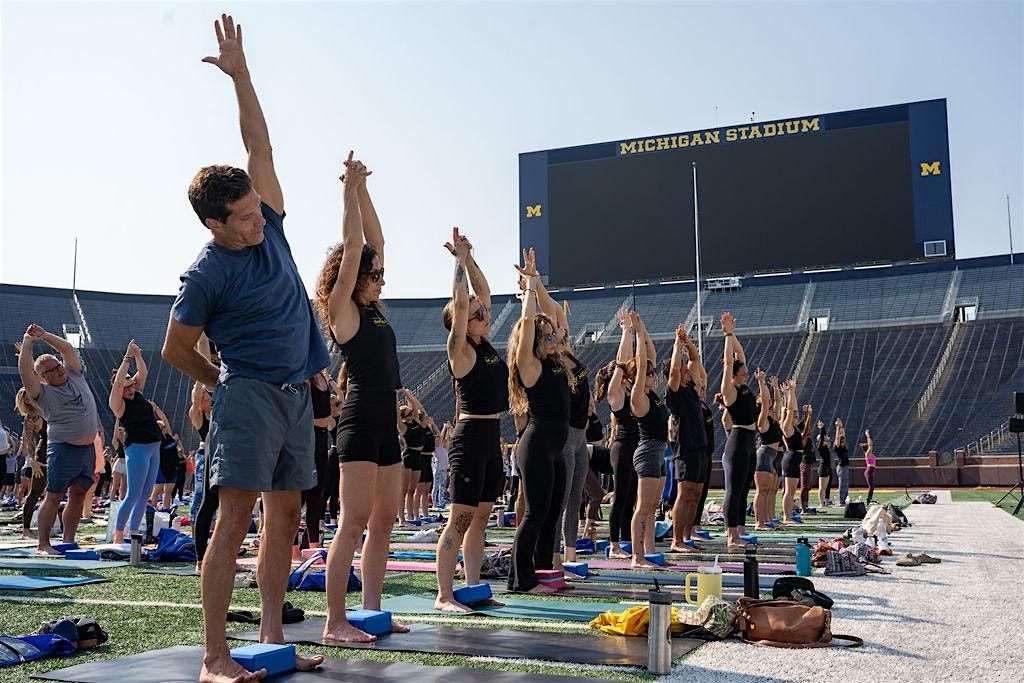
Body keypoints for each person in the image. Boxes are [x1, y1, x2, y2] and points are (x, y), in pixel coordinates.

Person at [160, 14, 328, 680]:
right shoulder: (207, 272)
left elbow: (258, 142)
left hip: (293, 395)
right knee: (233, 519)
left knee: (285, 514)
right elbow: (175, 346)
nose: (262, 218)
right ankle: (214, 656)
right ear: (215, 223)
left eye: (260, 207)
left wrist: (242, 76)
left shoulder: (271, 225)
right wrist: (220, 380)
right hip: (250, 394)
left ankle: (267, 636)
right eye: (247, 217)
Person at [315, 150, 407, 644]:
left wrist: (366, 188)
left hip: (386, 420)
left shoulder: (374, 307)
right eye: (375, 276)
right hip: (358, 418)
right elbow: (355, 246)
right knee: (352, 521)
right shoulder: (343, 310)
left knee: (385, 519)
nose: (380, 279)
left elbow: (376, 241)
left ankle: (370, 610)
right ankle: (334, 622)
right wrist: (346, 190)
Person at [434, 226, 508, 612]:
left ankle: (475, 587)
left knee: (481, 518)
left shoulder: (487, 345)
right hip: (469, 435)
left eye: (482, 311)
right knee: (460, 519)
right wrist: (459, 265)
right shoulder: (460, 350)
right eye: (474, 312)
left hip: (491, 436)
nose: (481, 311)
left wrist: (470, 257)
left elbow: (483, 294)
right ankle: (444, 595)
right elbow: (463, 304)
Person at [506, 248, 571, 593]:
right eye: (547, 337)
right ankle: (521, 579)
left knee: (551, 513)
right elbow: (530, 322)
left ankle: (545, 572)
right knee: (534, 512)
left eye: (553, 336)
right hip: (536, 445)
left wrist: (537, 282)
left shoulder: (557, 360)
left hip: (555, 448)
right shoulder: (530, 367)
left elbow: (556, 314)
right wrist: (529, 292)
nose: (554, 338)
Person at [17, 324, 100, 555]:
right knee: (53, 495)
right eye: (52, 370)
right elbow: (25, 372)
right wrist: (28, 342)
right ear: (43, 378)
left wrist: (44, 336)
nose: (59, 370)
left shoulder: (73, 373)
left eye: (57, 365)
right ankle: (43, 544)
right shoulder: (42, 393)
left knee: (79, 494)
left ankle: (68, 540)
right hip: (63, 449)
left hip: (86, 449)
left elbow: (66, 350)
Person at [108, 340, 165, 544]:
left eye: (131, 386)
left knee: (145, 494)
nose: (131, 389)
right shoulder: (118, 404)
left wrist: (138, 355)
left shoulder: (137, 393)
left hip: (154, 447)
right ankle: (118, 536)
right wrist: (127, 358)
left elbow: (143, 373)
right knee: (133, 493)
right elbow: (118, 385)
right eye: (126, 387)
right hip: (137, 449)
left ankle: (133, 533)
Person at [598, 313, 640, 559]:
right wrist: (626, 332)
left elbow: (635, 363)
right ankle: (613, 544)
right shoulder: (616, 394)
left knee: (631, 496)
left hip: (635, 448)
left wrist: (638, 333)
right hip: (622, 448)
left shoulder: (630, 389)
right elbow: (623, 362)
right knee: (621, 495)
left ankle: (625, 539)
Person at [627, 312, 667, 567]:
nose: (653, 376)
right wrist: (637, 334)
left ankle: (648, 551)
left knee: (653, 506)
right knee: (642, 507)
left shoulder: (652, 395)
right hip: (647, 451)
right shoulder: (637, 397)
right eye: (649, 374)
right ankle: (636, 556)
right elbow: (643, 363)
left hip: (659, 451)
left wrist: (644, 330)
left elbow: (649, 355)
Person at [665, 325, 709, 550]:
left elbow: (695, 359)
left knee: (696, 494)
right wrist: (676, 344)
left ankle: (687, 536)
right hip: (686, 448)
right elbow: (674, 371)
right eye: (683, 369)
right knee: (684, 493)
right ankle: (676, 540)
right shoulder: (675, 393)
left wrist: (687, 342)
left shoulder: (691, 388)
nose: (685, 371)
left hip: (700, 447)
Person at [719, 312, 757, 548]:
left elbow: (739, 354)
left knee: (743, 488)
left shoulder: (743, 386)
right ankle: (731, 534)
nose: (747, 374)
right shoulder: (730, 390)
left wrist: (732, 334)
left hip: (749, 441)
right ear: (734, 375)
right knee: (733, 490)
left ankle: (740, 530)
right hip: (738, 439)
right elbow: (728, 363)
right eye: (742, 372)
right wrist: (726, 336)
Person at [751, 369, 783, 530]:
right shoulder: (762, 420)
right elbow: (766, 401)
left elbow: (777, 402)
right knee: (762, 491)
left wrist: (776, 387)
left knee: (768, 491)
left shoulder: (773, 416)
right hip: (763, 456)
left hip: (771, 457)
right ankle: (759, 522)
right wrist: (761, 383)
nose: (770, 403)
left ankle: (766, 519)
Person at [14, 388, 46, 539]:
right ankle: (25, 529)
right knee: (35, 491)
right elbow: (29, 441)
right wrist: (32, 461)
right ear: (26, 401)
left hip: (57, 449)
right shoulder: (30, 418)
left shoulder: (46, 407)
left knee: (54, 491)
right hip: (43, 454)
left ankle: (47, 525)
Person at [817, 420, 833, 508]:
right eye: (826, 441)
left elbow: (824, 436)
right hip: (823, 468)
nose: (828, 442)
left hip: (827, 467)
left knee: (825, 487)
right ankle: (821, 503)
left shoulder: (826, 448)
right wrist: (822, 428)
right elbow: (823, 437)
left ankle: (825, 502)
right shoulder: (820, 447)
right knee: (822, 487)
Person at [834, 419, 851, 505]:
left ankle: (845, 499)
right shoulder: (838, 448)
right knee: (842, 484)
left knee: (846, 484)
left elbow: (843, 435)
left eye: (844, 441)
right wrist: (837, 428)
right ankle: (841, 500)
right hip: (841, 466)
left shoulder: (844, 447)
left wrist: (841, 426)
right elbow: (837, 438)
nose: (843, 442)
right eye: (842, 441)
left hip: (846, 466)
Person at [862, 429, 876, 504]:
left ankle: (869, 499)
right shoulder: (867, 454)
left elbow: (870, 445)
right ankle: (868, 500)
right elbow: (870, 444)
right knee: (871, 486)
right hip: (869, 470)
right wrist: (868, 436)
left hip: (870, 470)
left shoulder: (869, 454)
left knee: (872, 486)